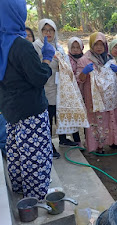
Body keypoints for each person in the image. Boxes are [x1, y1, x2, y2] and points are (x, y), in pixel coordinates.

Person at [0, 0, 55, 199]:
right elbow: (39, 77)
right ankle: (35, 198)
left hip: (9, 108)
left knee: (16, 150)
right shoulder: (20, 45)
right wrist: (47, 59)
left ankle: (19, 188)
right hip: (30, 109)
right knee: (35, 156)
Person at [33, 19, 78, 159]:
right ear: (40, 31)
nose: (48, 33)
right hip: (45, 88)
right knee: (48, 118)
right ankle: (49, 146)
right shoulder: (36, 46)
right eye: (45, 30)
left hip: (59, 87)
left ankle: (63, 139)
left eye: (51, 30)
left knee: (59, 114)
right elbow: (37, 67)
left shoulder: (58, 46)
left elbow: (66, 64)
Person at [76, 32, 117, 153]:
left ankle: (114, 141)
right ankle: (98, 146)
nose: (99, 47)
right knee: (97, 120)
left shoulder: (109, 58)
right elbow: (78, 79)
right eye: (96, 44)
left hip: (110, 97)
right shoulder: (84, 60)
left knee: (111, 117)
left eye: (101, 44)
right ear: (91, 44)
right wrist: (85, 72)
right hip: (94, 97)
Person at [67, 37, 85, 147]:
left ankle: (88, 139)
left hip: (85, 91)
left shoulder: (86, 58)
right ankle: (77, 140)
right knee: (75, 116)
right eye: (73, 47)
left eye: (77, 47)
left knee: (87, 115)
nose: (75, 50)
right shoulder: (67, 59)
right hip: (73, 91)